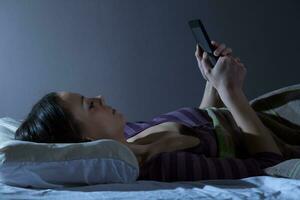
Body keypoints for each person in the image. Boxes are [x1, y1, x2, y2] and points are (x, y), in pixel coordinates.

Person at [15, 41, 286, 181]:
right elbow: (268, 165)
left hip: (260, 113)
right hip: (280, 130)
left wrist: (212, 82)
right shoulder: (162, 166)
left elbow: (205, 122)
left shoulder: (129, 132)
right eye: (90, 105)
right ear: (86, 141)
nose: (100, 97)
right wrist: (232, 92)